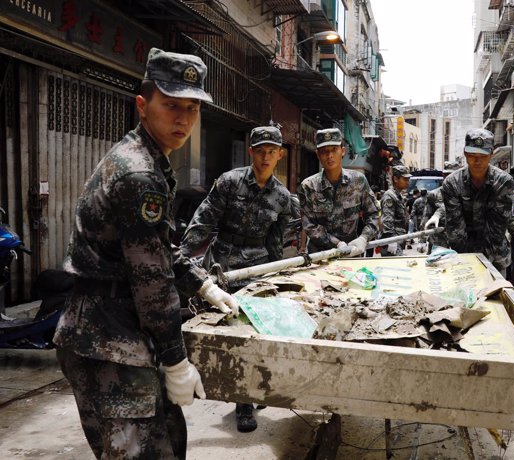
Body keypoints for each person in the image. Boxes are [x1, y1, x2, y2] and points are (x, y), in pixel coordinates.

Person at [53, 48, 239, 458]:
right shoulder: (140, 174)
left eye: (192, 108)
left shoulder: (149, 160)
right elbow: (152, 282)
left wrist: (203, 285)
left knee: (168, 442)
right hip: (108, 338)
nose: (183, 118)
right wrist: (175, 360)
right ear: (142, 104)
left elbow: (160, 249)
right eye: (171, 105)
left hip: (119, 330)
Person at [177, 125, 292, 432]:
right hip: (221, 268)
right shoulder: (229, 182)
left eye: (272, 152)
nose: (266, 157)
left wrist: (276, 281)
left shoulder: (283, 197)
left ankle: (244, 401)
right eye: (260, 151)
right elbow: (204, 220)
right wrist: (179, 259)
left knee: (250, 337)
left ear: (280, 155)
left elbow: (276, 244)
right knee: (219, 335)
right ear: (251, 151)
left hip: (255, 270)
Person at [438, 128, 514, 276]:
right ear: (465, 153)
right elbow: (456, 231)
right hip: (463, 258)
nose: (477, 160)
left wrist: (483, 265)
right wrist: (468, 263)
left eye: (483, 155)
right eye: (472, 155)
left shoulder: (504, 182)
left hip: (495, 259)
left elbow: (497, 230)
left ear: (491, 154)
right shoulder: (452, 183)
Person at [298, 128, 379, 256]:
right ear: (318, 155)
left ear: (342, 151)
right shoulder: (308, 186)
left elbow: (373, 214)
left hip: (352, 251)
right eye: (324, 151)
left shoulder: (358, 181)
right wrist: (337, 243)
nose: (330, 155)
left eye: (334, 150)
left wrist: (363, 238)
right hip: (320, 255)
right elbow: (309, 226)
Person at [380, 165, 412, 256]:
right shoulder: (389, 196)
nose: (407, 182)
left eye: (408, 179)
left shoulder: (398, 196)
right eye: (405, 179)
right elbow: (387, 220)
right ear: (395, 179)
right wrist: (391, 241)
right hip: (392, 242)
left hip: (398, 239)